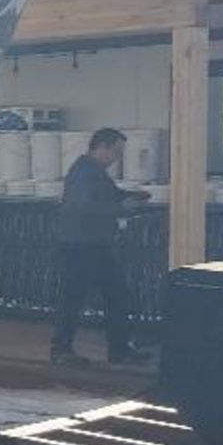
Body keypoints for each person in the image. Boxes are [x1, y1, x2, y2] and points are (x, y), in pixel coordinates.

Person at [51, 127, 152, 366]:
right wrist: (122, 208)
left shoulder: (93, 171)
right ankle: (62, 350)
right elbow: (85, 207)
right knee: (76, 297)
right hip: (81, 244)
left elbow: (106, 195)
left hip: (93, 243)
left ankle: (118, 349)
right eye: (116, 152)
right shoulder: (84, 173)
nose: (117, 158)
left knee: (114, 295)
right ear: (102, 147)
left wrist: (130, 195)